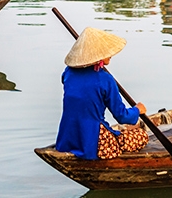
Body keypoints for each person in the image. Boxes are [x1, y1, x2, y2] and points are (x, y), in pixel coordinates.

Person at [55, 27, 149, 160]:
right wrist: (137, 110)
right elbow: (122, 116)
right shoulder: (105, 80)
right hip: (93, 143)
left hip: (66, 139)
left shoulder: (68, 73)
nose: (110, 54)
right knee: (142, 135)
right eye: (106, 52)